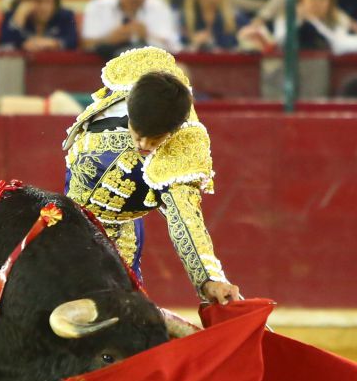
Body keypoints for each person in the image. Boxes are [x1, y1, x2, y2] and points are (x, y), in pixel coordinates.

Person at [62, 46, 242, 305]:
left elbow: (185, 217)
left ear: (173, 130)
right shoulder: (140, 82)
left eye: (155, 137)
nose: (143, 144)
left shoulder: (180, 148)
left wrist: (210, 278)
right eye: (138, 132)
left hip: (116, 231)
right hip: (77, 210)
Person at [0, 0, 78, 51]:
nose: (44, 7)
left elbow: (73, 41)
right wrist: (20, 15)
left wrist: (53, 43)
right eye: (38, 0)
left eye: (49, 1)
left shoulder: (66, 16)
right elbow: (6, 44)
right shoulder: (12, 15)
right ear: (24, 0)